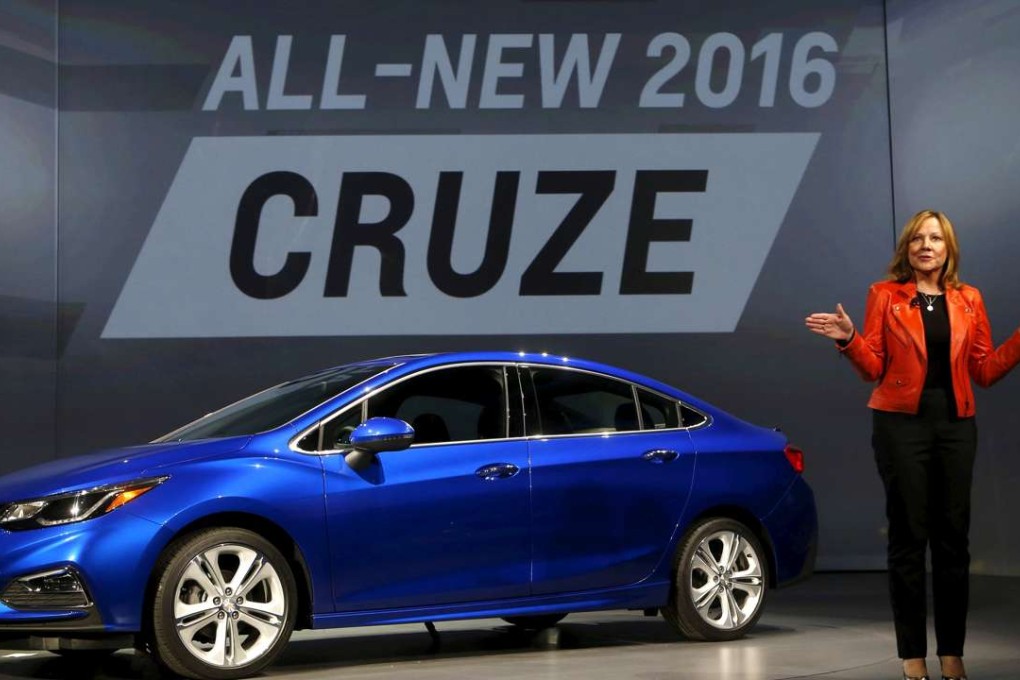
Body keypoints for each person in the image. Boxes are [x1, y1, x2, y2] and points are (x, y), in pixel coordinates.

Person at [805, 209, 1020, 680]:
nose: (927, 245)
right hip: (900, 426)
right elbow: (873, 368)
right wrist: (849, 340)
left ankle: (952, 654)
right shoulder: (884, 296)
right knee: (908, 538)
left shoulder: (969, 299)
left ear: (949, 249)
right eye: (919, 238)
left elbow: (984, 371)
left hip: (956, 426)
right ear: (907, 247)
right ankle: (912, 656)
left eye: (936, 239)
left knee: (953, 542)